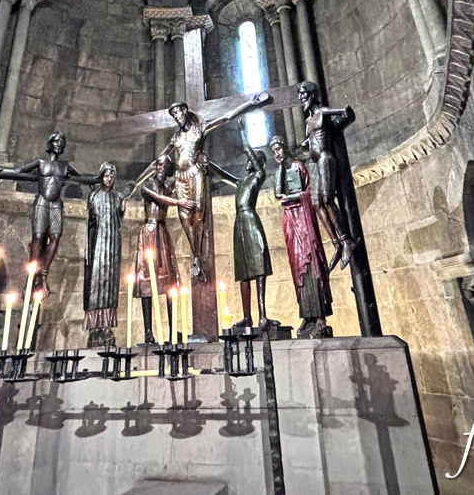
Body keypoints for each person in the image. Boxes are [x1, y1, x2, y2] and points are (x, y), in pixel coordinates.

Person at [132, 92, 268, 282]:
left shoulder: (199, 129)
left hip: (195, 174)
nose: (176, 117)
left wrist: (250, 104)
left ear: (185, 111)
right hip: (181, 178)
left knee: (197, 215)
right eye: (173, 115)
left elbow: (225, 117)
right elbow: (157, 162)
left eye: (178, 113)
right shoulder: (176, 136)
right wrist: (137, 181)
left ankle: (198, 258)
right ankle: (195, 255)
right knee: (183, 216)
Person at [0, 131, 97, 284]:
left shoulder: (64, 165)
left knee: (55, 239)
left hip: (56, 204)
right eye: (56, 142)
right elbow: (19, 171)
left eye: (62, 143)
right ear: (50, 144)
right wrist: (1, 175)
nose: (59, 145)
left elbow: (80, 177)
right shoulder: (41, 163)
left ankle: (43, 274)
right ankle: (32, 272)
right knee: (37, 237)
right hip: (43, 202)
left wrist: (95, 181)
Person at [270, 135, 332, 338]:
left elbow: (309, 191)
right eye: (274, 151)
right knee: (297, 266)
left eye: (279, 148)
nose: (277, 153)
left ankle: (320, 316)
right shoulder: (280, 171)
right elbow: (278, 193)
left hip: (303, 217)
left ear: (285, 148)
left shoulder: (298, 166)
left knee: (311, 263)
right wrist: (279, 169)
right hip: (290, 219)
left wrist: (296, 198)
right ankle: (307, 315)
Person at [130, 154, 190, 344]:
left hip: (162, 232)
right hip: (149, 232)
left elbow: (180, 181)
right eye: (158, 165)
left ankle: (173, 331)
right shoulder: (148, 185)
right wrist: (178, 202)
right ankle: (148, 332)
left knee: (170, 280)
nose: (161, 169)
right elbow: (159, 199)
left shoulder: (167, 187)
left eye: (164, 166)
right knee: (147, 283)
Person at [298, 80, 357, 270]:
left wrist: (344, 115)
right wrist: (306, 143)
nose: (301, 99)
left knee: (327, 199)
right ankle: (336, 244)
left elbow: (344, 112)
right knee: (316, 204)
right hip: (315, 163)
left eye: (304, 95)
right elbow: (311, 138)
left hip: (325, 158)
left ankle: (346, 240)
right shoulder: (308, 122)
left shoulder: (322, 112)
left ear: (312, 94)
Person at [222, 128, 274, 329]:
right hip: (239, 224)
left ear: (257, 163)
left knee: (258, 267)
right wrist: (208, 164)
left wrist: (243, 132)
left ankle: (262, 315)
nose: (247, 162)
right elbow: (224, 175)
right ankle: (247, 316)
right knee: (243, 271)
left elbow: (247, 149)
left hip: (251, 220)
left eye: (252, 159)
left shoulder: (259, 175)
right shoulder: (242, 181)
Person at [84, 161, 125, 346]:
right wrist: (92, 216)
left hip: (113, 244)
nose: (109, 179)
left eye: (112, 176)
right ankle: (95, 326)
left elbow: (118, 221)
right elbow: (90, 224)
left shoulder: (118, 196)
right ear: (101, 176)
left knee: (110, 284)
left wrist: (122, 211)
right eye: (106, 175)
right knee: (97, 281)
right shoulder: (94, 196)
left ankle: (107, 324)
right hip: (99, 244)